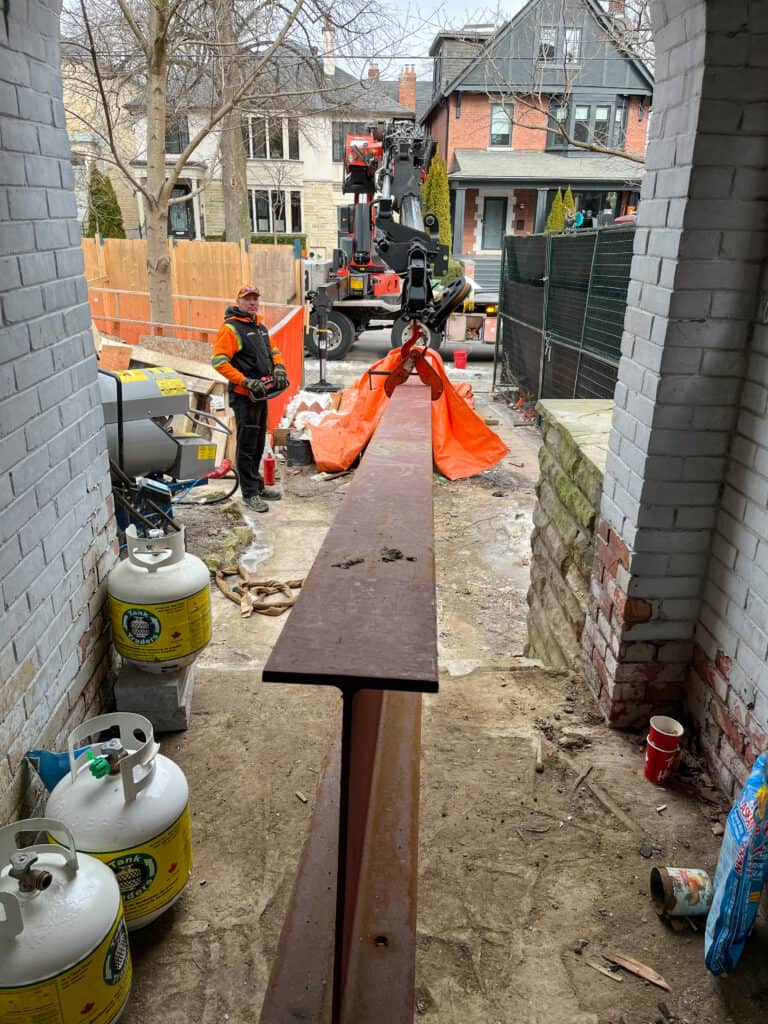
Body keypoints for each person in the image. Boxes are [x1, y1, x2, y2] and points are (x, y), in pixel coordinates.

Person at [211, 286, 288, 513]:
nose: (252, 303)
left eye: (255, 299)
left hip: (261, 394)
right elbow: (219, 361)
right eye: (248, 300)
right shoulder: (231, 329)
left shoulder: (260, 327)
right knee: (246, 445)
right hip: (245, 397)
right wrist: (244, 381)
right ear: (238, 301)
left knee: (257, 444)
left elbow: (273, 351)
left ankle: (257, 485)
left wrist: (280, 368)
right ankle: (250, 494)